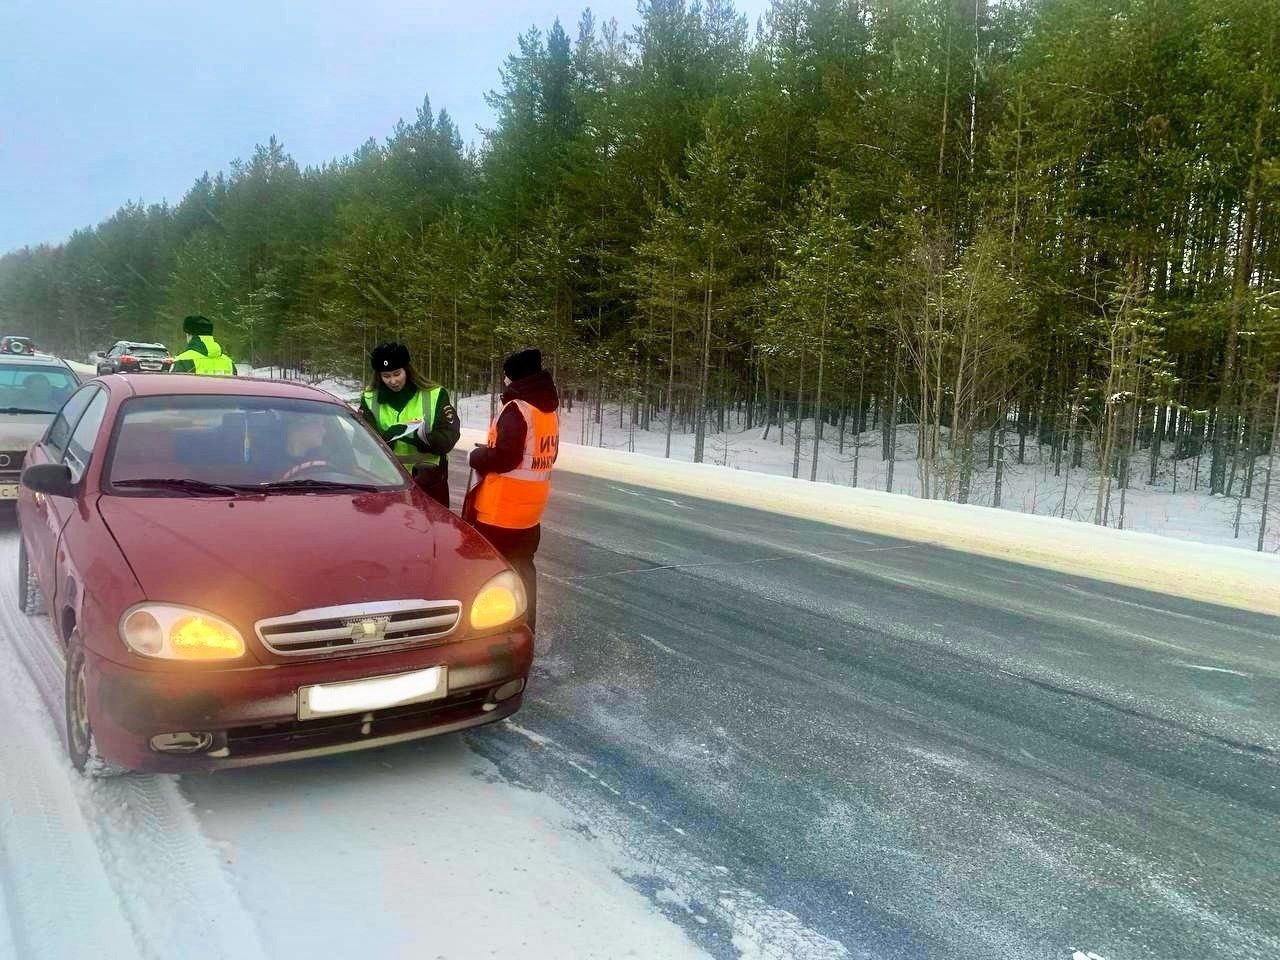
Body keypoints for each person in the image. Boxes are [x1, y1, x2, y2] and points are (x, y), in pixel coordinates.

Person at [466, 348, 560, 633]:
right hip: (531, 510)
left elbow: (507, 458)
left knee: (492, 574)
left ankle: (493, 633)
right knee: (523, 569)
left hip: (500, 509)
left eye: (506, 377)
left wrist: (478, 457)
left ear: (513, 377)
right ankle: (525, 628)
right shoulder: (548, 410)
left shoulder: (517, 409)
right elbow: (546, 456)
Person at [359, 341, 460, 507]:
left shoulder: (435, 395)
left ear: (407, 369)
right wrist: (385, 439)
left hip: (428, 482)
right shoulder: (369, 399)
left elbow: (449, 436)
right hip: (386, 483)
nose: (392, 381)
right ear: (378, 376)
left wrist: (423, 439)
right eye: (386, 376)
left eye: (397, 373)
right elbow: (361, 443)